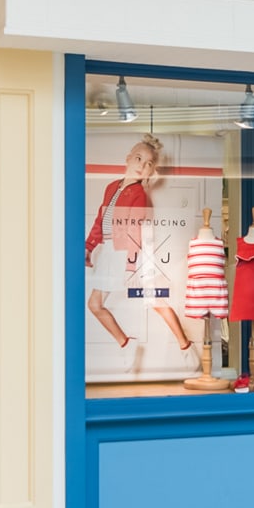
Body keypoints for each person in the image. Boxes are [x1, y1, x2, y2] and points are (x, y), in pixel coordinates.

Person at [85, 134, 190, 351]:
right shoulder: (111, 187)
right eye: (139, 159)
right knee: (97, 304)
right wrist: (88, 247)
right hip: (111, 251)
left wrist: (130, 264)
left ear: (152, 171)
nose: (142, 166)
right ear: (128, 158)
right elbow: (101, 220)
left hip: (125, 253)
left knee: (154, 300)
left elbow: (135, 230)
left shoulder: (139, 193)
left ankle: (182, 343)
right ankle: (129, 344)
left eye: (149, 164)